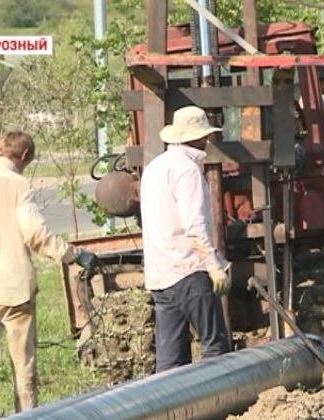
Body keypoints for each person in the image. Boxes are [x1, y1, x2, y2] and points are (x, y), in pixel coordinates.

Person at [0, 130, 98, 420]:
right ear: (24, 156)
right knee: (24, 369)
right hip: (15, 292)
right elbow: (34, 232)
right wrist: (71, 254)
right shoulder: (18, 185)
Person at [141, 105, 232, 373]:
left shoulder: (154, 168)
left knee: (170, 363)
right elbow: (194, 226)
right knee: (214, 347)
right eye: (204, 135)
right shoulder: (188, 170)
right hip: (190, 272)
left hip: (160, 276)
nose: (206, 140)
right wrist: (214, 267)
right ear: (197, 137)